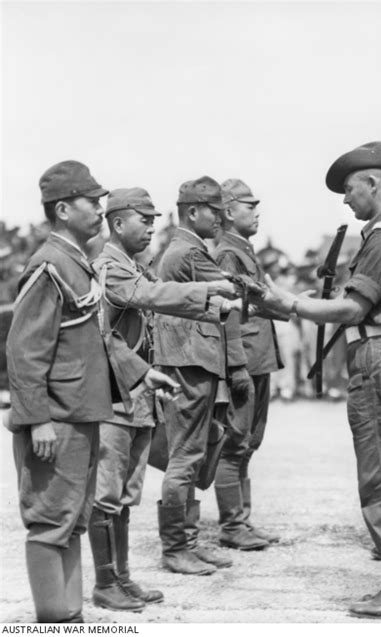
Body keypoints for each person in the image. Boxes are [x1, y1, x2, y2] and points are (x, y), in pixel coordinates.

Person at [256, 142, 381, 619]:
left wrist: (288, 303)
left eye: (350, 189)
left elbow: (353, 309)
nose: (345, 200)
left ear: (375, 184)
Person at [5, 161, 178, 623]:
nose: (101, 209)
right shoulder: (49, 265)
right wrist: (36, 418)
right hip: (56, 420)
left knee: (73, 522)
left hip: (80, 414)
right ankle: (53, 621)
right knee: (50, 523)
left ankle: (70, 618)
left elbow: (99, 337)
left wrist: (141, 373)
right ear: (63, 209)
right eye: (92, 201)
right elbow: (25, 352)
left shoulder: (76, 262)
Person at [88, 187, 240, 610]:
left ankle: (122, 578)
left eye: (154, 219)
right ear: (118, 224)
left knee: (124, 495)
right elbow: (152, 298)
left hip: (136, 395)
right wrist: (211, 295)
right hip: (113, 397)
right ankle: (105, 583)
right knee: (107, 494)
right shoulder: (108, 268)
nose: (153, 227)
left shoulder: (131, 265)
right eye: (144, 220)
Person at [154, 176, 247, 575]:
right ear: (193, 212)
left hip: (195, 358)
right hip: (188, 362)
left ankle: (187, 542)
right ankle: (175, 548)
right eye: (215, 209)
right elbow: (231, 288)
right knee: (185, 456)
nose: (222, 217)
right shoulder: (188, 252)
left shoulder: (187, 249)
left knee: (195, 454)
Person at [212, 178, 283, 550]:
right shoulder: (227, 253)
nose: (256, 212)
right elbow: (229, 315)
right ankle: (232, 525)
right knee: (235, 442)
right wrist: (236, 365)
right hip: (245, 359)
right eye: (249, 206)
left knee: (249, 442)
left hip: (258, 357)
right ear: (228, 212)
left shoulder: (242, 250)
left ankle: (242, 520)